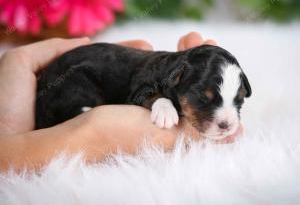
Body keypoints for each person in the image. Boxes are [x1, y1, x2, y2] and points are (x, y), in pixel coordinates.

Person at [0, 32, 243, 172]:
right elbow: (142, 93)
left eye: (237, 102)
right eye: (205, 99)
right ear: (176, 78)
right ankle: (73, 115)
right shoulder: (164, 76)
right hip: (75, 83)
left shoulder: (179, 74)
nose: (227, 120)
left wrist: (7, 130)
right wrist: (86, 133)